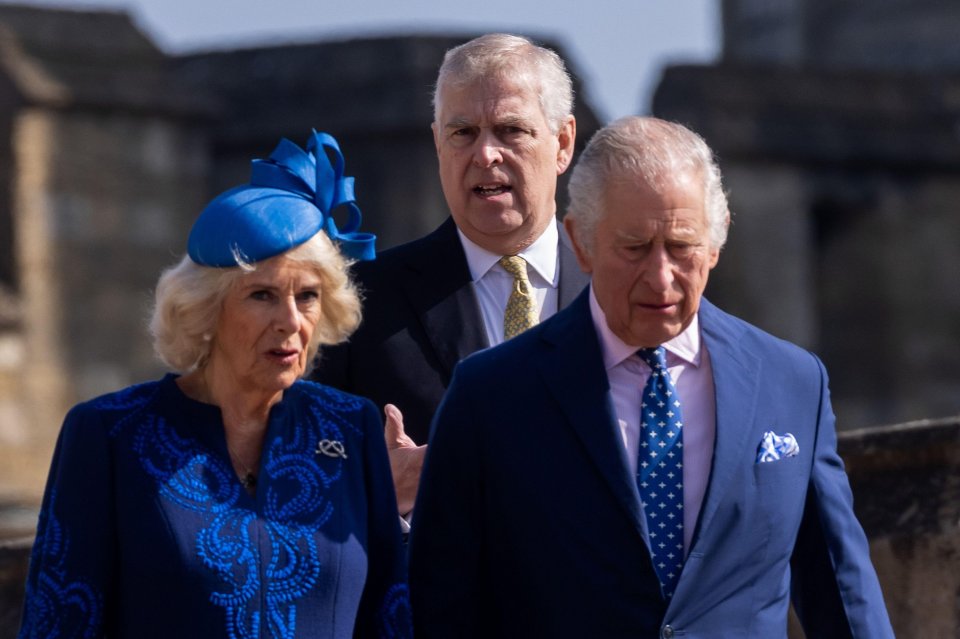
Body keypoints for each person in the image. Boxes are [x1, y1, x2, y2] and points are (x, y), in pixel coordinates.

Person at [408, 116, 895, 637]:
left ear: (715, 241)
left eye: (682, 246)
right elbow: (442, 606)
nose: (661, 277)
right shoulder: (490, 395)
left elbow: (841, 591)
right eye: (634, 247)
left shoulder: (792, 381)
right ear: (581, 243)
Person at [18, 132, 412, 639]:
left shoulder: (350, 427)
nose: (290, 320)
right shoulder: (108, 435)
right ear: (206, 309)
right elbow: (59, 622)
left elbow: (391, 613)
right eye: (262, 295)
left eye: (308, 296)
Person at [312, 33, 589, 517]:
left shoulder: (621, 292)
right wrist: (379, 493)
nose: (485, 155)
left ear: (562, 143)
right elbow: (293, 482)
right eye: (463, 133)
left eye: (510, 131)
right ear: (438, 143)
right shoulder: (357, 305)